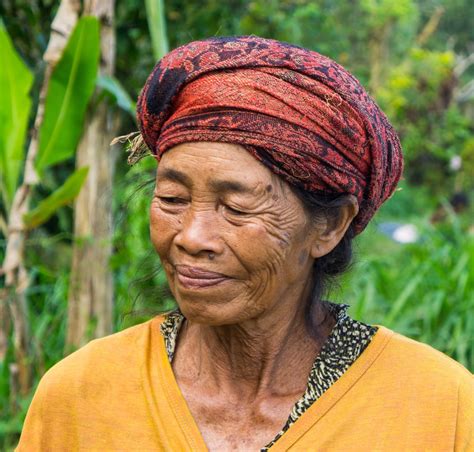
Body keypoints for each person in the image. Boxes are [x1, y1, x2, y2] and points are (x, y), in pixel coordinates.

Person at [17, 36, 472, 451]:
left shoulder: (439, 409)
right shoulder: (80, 396)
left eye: (236, 208)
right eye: (172, 198)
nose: (191, 237)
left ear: (329, 226)